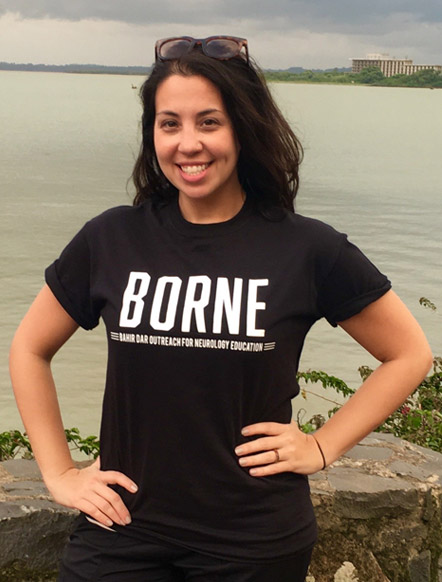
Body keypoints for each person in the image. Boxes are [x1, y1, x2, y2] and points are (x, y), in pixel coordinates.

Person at [10, 36, 432, 582]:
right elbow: (29, 347)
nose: (189, 144)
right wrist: (59, 471)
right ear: (152, 133)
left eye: (209, 122)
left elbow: (408, 353)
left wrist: (322, 445)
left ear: (243, 127)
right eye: (170, 124)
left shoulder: (306, 248)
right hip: (122, 527)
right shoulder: (111, 238)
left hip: (254, 539)